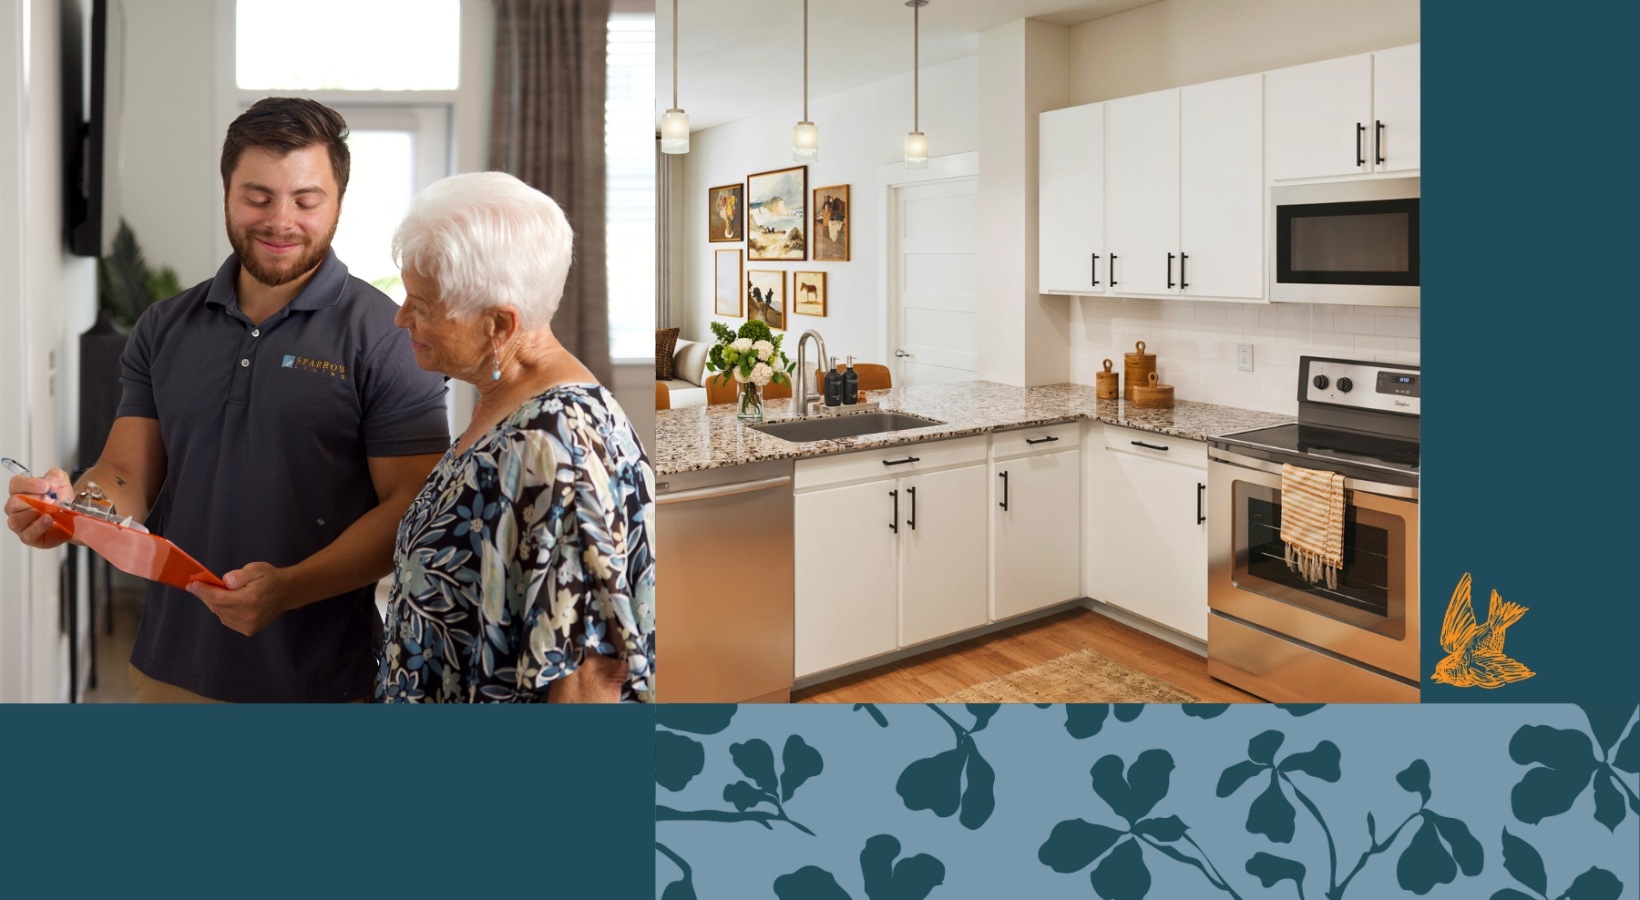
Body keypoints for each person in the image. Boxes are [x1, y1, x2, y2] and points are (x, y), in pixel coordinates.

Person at [4, 97, 451, 702]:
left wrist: (287, 588)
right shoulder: (164, 326)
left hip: (323, 683)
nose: (280, 220)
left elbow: (410, 508)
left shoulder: (388, 335)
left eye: (305, 200)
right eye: (257, 197)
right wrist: (71, 512)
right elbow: (123, 474)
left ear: (339, 202)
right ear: (226, 193)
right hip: (168, 670)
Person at [378, 171, 654, 703]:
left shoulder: (554, 448)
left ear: (499, 325)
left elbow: (589, 680)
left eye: (423, 307)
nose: (399, 318)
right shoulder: (504, 404)